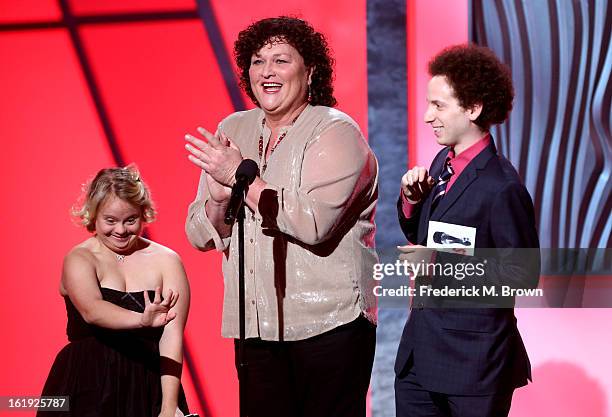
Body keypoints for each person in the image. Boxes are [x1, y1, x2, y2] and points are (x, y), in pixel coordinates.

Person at [184, 16, 378, 417]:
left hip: (329, 325)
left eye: (281, 60)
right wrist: (220, 198)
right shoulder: (233, 127)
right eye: (257, 61)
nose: (267, 72)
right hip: (255, 326)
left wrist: (241, 178)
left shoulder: (337, 132)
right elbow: (200, 234)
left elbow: (312, 224)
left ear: (310, 72)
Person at [394, 44, 540, 417]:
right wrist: (412, 201)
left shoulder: (501, 186)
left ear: (473, 108)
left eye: (439, 106)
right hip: (419, 358)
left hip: (474, 366)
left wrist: (440, 264)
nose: (428, 116)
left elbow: (522, 274)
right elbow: (425, 236)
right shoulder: (443, 161)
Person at [38, 166, 191, 417]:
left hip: (147, 382)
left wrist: (168, 406)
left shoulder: (168, 260)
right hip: (84, 380)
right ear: (93, 216)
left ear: (143, 214)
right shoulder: (79, 258)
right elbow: (92, 310)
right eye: (110, 220)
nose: (120, 230)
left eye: (130, 220)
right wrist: (141, 320)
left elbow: (172, 336)